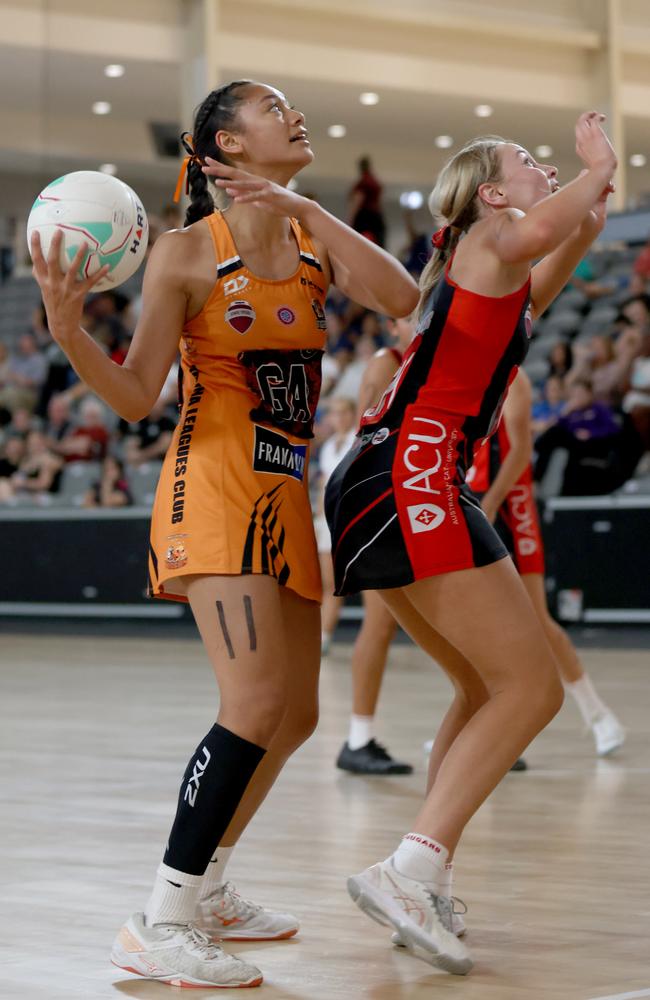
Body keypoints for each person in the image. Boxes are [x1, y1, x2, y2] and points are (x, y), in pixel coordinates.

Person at [31, 78, 418, 989]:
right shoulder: (181, 254)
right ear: (225, 149)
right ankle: (159, 917)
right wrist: (66, 329)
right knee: (251, 704)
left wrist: (303, 207)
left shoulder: (309, 234)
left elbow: (402, 294)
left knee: (298, 714)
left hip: (284, 494)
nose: (295, 114)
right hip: (212, 484)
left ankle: (209, 888)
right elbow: (134, 399)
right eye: (272, 107)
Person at [325, 112, 617, 975]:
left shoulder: (502, 278)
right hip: (410, 475)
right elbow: (551, 220)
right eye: (527, 162)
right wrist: (596, 162)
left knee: (478, 684)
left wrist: (594, 190)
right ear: (490, 193)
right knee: (531, 692)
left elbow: (571, 238)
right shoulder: (490, 238)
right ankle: (411, 866)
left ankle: (425, 868)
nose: (544, 168)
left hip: (399, 477)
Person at [468, 369, 625, 758]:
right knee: (477, 624)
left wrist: (489, 504)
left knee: (537, 618)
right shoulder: (463, 374)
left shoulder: (512, 379)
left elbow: (520, 451)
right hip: (473, 499)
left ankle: (598, 714)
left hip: (508, 505)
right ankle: (485, 728)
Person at [336, 315, 415, 775]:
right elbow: (364, 443)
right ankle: (357, 738)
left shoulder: (420, 359)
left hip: (409, 498)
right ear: (391, 325)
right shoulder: (386, 364)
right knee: (379, 623)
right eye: (408, 314)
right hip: (379, 503)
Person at [315, 397, 357, 655]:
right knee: (326, 582)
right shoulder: (329, 445)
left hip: (346, 518)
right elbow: (323, 484)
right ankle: (323, 635)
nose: (338, 418)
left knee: (334, 582)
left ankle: (325, 635)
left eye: (343, 412)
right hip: (326, 520)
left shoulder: (356, 440)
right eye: (334, 413)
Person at [348, 156, 386, 248]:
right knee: (379, 242)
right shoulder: (375, 182)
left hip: (364, 216)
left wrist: (351, 218)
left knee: (357, 239)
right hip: (376, 215)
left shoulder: (363, 182)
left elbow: (358, 200)